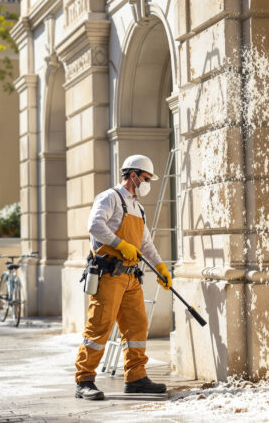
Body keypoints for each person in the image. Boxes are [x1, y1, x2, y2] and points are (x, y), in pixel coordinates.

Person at [74, 154, 173, 400]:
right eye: (146, 178)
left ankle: (136, 377)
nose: (148, 183)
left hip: (131, 278)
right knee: (100, 326)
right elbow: (95, 225)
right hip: (109, 274)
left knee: (137, 326)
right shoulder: (110, 198)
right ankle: (84, 379)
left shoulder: (137, 207)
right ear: (133, 176)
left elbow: (145, 243)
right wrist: (120, 244)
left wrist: (160, 267)